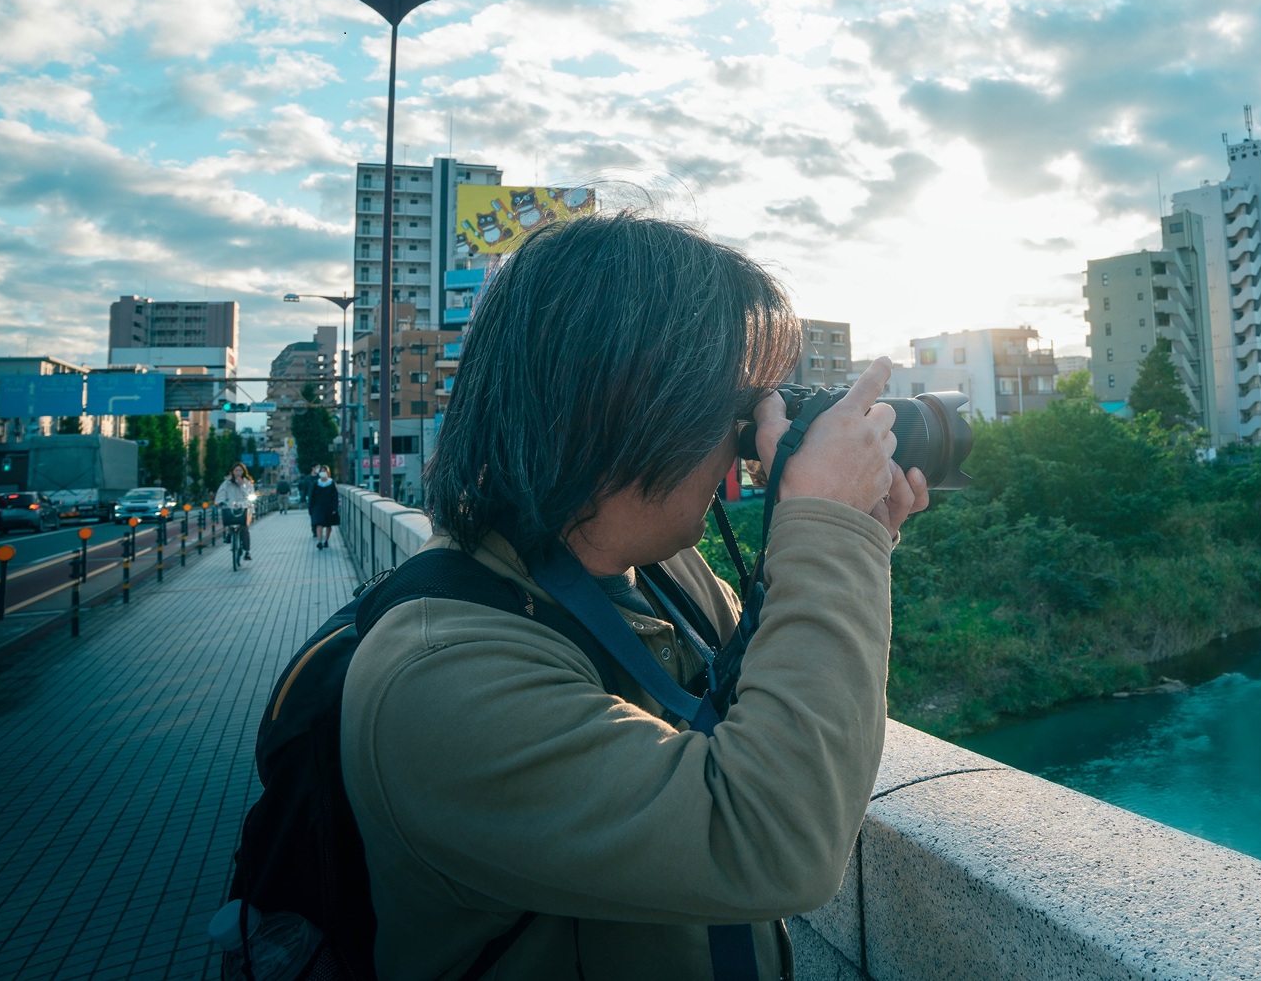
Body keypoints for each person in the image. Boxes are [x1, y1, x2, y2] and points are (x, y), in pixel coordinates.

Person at [342, 212, 926, 981]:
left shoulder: (656, 571)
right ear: (621, 403)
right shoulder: (435, 675)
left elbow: (771, 698)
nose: (744, 441)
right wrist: (827, 531)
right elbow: (774, 838)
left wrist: (857, 538)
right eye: (731, 407)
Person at [215, 462, 257, 562]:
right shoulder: (227, 483)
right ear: (232, 472)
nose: (238, 472)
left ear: (243, 472)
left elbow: (251, 495)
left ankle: (247, 551)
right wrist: (221, 502)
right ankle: (230, 536)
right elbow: (221, 493)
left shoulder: (247, 482)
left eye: (240, 470)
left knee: (244, 530)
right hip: (230, 507)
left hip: (243, 507)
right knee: (230, 523)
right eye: (236, 470)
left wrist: (242, 485)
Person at [306, 464, 339, 548]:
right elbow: (312, 496)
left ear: (328, 473)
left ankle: (326, 540)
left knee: (328, 525)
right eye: (321, 471)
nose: (322, 473)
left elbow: (335, 497)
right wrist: (311, 508)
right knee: (319, 524)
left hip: (329, 507)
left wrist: (334, 508)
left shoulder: (331, 483)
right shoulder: (316, 483)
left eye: (324, 471)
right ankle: (320, 541)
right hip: (318, 507)